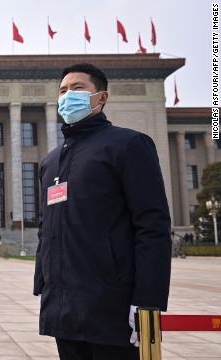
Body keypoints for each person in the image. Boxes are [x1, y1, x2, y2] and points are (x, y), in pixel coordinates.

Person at [33, 63, 172, 360]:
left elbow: (152, 226)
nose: (68, 95)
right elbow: (47, 229)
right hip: (63, 310)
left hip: (111, 308)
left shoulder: (128, 145)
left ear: (101, 98)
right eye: (62, 90)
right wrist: (43, 286)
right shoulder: (50, 162)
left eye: (78, 88)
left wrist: (148, 300)